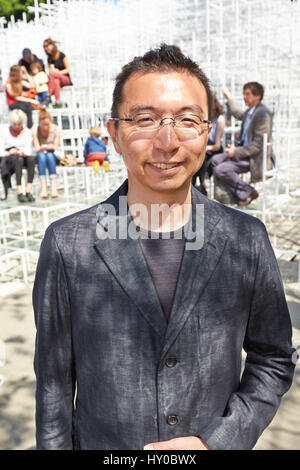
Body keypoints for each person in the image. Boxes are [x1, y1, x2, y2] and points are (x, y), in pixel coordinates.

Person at [33, 44, 294, 450]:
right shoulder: (69, 244)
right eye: (145, 119)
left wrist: (218, 441)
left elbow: (273, 359)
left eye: (188, 119)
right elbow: (53, 386)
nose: (167, 141)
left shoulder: (246, 239)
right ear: (115, 134)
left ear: (207, 132)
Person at [210, 82, 274, 206]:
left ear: (258, 96)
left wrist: (236, 152)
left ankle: (248, 192)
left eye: (248, 94)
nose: (244, 97)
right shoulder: (252, 111)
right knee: (215, 160)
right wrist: (228, 97)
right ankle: (232, 194)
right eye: (244, 94)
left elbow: (258, 145)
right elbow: (237, 113)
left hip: (254, 158)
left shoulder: (263, 114)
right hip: (244, 152)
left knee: (221, 169)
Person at [192, 95, 225, 195]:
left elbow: (217, 145)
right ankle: (193, 185)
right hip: (204, 148)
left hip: (214, 150)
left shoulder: (220, 119)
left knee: (202, 155)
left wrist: (204, 148)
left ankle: (202, 183)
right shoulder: (204, 119)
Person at [0, 109, 35, 202]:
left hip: (22, 155)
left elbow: (28, 150)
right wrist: (10, 152)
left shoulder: (27, 132)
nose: (17, 126)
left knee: (31, 159)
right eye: (15, 124)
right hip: (8, 157)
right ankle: (19, 191)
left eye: (19, 124)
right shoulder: (4, 131)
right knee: (18, 160)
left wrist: (21, 152)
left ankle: (28, 190)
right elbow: (1, 150)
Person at [32, 109, 60, 199]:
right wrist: (43, 147)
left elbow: (55, 146)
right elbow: (36, 148)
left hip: (53, 154)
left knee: (50, 156)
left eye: (47, 124)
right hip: (41, 154)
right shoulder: (35, 130)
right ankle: (43, 187)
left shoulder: (56, 129)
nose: (45, 127)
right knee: (42, 156)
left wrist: (49, 147)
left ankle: (53, 187)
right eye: (43, 124)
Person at [5, 65, 40, 129]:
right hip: (13, 104)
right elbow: (15, 97)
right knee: (28, 105)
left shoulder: (20, 82)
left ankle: (30, 126)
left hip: (22, 102)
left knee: (29, 105)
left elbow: (32, 86)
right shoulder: (8, 84)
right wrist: (30, 100)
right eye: (21, 72)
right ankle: (28, 126)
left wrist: (26, 73)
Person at [43, 38, 72, 107]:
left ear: (52, 45)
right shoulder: (49, 58)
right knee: (56, 81)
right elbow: (50, 72)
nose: (46, 48)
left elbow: (68, 69)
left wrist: (58, 72)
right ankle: (57, 101)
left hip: (66, 78)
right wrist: (53, 73)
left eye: (47, 46)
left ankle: (48, 96)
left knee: (54, 75)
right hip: (56, 79)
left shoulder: (61, 55)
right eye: (44, 47)